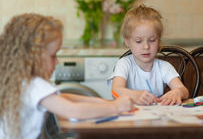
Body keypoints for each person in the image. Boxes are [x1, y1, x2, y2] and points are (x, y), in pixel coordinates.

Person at [0, 13, 133, 139]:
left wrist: (107, 102)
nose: (57, 61)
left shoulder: (21, 82)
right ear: (33, 56)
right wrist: (116, 107)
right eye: (53, 56)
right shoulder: (35, 85)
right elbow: (73, 111)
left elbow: (64, 97)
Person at [109, 5, 189, 106]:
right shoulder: (124, 64)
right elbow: (115, 91)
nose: (146, 46)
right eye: (138, 41)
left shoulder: (164, 67)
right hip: (131, 117)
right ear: (127, 41)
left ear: (159, 41)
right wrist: (135, 95)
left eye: (152, 40)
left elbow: (184, 90)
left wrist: (178, 92)